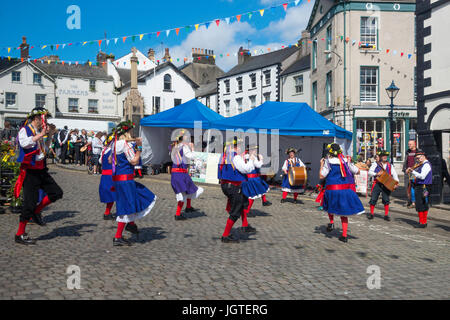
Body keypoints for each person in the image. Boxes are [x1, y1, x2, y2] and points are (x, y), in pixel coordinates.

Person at [14, 107, 64, 245]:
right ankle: (20, 234)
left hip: (41, 170)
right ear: (36, 119)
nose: (45, 121)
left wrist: (51, 136)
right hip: (30, 171)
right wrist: (42, 134)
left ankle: (36, 211)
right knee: (29, 203)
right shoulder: (26, 130)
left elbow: (45, 150)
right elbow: (24, 143)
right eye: (44, 118)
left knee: (57, 193)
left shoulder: (38, 132)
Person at [110, 121, 157, 246]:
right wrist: (139, 148)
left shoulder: (114, 144)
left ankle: (131, 225)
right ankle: (118, 237)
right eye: (130, 131)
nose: (132, 133)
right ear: (126, 132)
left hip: (118, 180)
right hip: (126, 181)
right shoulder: (125, 144)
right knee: (129, 205)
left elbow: (110, 160)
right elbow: (134, 161)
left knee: (134, 200)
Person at [320, 143, 364, 243]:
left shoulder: (328, 161)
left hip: (331, 189)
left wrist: (321, 164)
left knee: (329, 206)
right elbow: (357, 171)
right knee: (343, 213)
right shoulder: (346, 160)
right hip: (344, 190)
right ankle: (344, 235)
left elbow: (322, 176)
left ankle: (331, 222)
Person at [218, 139, 256, 243]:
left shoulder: (224, 156)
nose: (241, 148)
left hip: (226, 185)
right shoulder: (235, 156)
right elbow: (246, 169)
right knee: (235, 212)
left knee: (243, 203)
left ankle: (245, 225)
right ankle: (225, 235)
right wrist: (252, 160)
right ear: (235, 147)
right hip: (234, 187)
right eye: (239, 146)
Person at [170, 131, 204, 221]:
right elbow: (190, 156)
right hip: (181, 174)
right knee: (183, 193)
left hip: (176, 173)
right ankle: (178, 214)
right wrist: (193, 149)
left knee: (189, 189)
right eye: (186, 136)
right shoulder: (184, 147)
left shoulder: (174, 147)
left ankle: (188, 207)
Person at [367, 150, 399, 221]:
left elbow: (395, 174)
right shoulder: (376, 164)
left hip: (387, 184)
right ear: (380, 157)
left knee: (386, 199)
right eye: (383, 156)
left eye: (386, 156)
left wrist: (396, 183)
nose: (385, 157)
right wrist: (376, 174)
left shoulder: (390, 165)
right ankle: (371, 214)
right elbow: (369, 172)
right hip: (377, 183)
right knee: (373, 199)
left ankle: (386, 215)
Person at [241, 145, 272, 215]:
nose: (256, 151)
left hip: (248, 178)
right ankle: (246, 211)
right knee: (252, 195)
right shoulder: (252, 157)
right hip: (252, 179)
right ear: (251, 151)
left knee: (261, 188)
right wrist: (261, 159)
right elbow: (258, 165)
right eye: (255, 150)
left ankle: (264, 201)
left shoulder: (244, 156)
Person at [406, 150, 432, 228]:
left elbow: (422, 176)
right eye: (416, 158)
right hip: (420, 186)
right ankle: (422, 222)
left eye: (418, 158)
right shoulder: (421, 164)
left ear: (423, 156)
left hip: (423, 187)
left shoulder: (426, 165)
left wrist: (412, 171)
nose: (417, 160)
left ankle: (422, 222)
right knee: (421, 204)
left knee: (422, 204)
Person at [99, 134, 115, 220]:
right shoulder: (112, 151)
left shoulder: (104, 150)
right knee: (112, 194)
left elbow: (100, 161)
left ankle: (107, 212)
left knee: (110, 195)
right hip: (110, 176)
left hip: (104, 175)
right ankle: (107, 213)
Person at [403, 140, 418, 208]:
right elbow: (406, 160)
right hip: (407, 171)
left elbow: (419, 162)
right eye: (408, 144)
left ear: (414, 144)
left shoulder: (418, 151)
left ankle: (413, 202)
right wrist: (404, 168)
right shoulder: (407, 151)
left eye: (410, 144)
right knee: (407, 187)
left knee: (412, 186)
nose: (409, 145)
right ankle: (408, 200)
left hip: (413, 172)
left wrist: (413, 169)